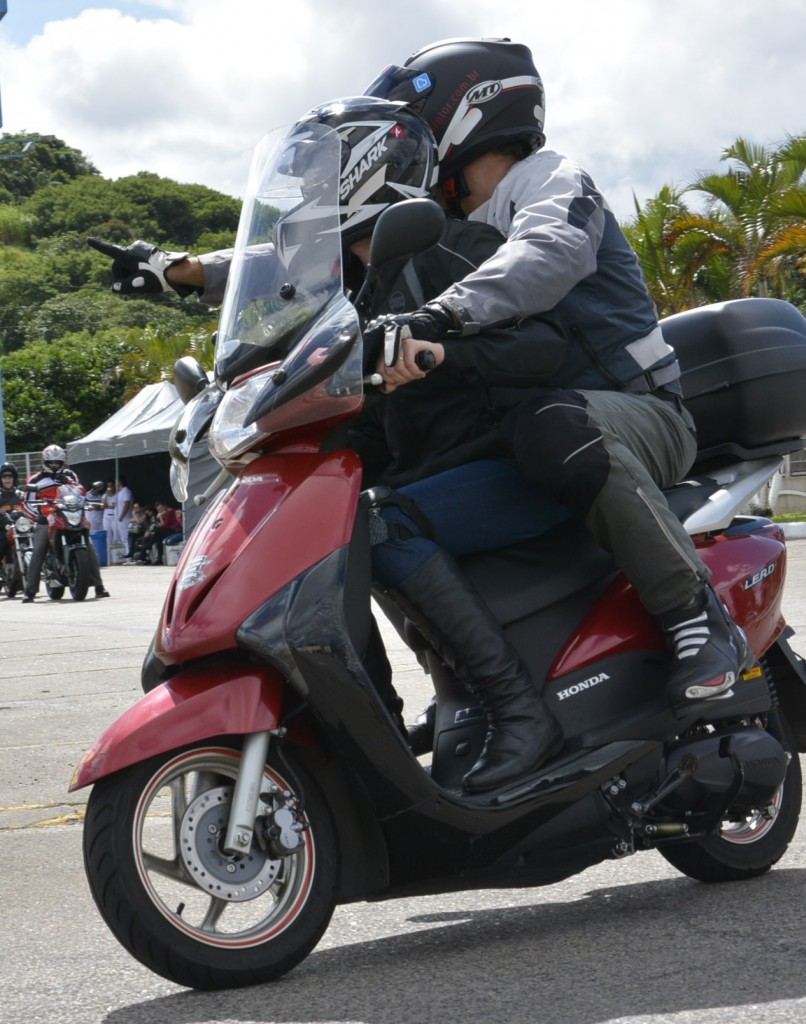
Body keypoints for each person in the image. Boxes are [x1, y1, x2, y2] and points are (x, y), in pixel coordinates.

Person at [89, 97, 571, 793]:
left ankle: (517, 710)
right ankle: (369, 714)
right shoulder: (343, 281)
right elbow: (281, 313)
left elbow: (544, 347)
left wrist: (439, 348)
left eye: (318, 176)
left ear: (368, 170)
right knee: (329, 531)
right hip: (424, 464)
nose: (303, 193)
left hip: (500, 459)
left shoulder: (451, 249)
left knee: (374, 524)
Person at [361, 38, 750, 711]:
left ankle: (698, 623)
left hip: (637, 415)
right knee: (379, 514)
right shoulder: (448, 223)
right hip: (528, 433)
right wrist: (195, 272)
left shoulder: (547, 178)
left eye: (412, 125)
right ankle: (473, 689)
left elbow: (548, 252)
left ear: (467, 108)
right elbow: (344, 241)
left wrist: (440, 317)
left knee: (551, 423)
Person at [21, 445, 110, 602]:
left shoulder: (70, 475)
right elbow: (26, 503)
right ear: (44, 462)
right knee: (39, 549)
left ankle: (99, 586)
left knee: (89, 547)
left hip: (70, 514)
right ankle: (30, 591)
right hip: (47, 518)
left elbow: (81, 493)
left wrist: (68, 482)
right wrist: (38, 516)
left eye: (58, 462)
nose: (55, 465)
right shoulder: (35, 479)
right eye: (51, 462)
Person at [0, 463, 23, 569]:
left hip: (22, 529)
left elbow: (31, 509)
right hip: (4, 530)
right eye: (4, 477)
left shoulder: (22, 495)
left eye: (10, 477)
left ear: (14, 478)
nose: (7, 480)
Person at [115, 479, 133, 553]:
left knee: (125, 537)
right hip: (119, 518)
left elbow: (127, 504)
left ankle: (128, 556)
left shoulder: (126, 491)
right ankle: (126, 554)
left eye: (116, 482)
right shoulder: (120, 492)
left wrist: (122, 516)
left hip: (124, 518)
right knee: (122, 538)